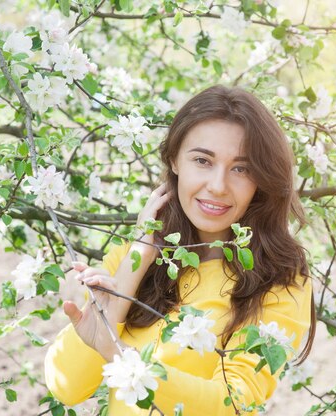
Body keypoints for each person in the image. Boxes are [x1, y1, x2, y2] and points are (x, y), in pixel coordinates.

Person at [44, 85, 316, 415]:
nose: (217, 185)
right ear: (174, 160)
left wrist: (121, 358)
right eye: (202, 160)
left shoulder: (280, 280)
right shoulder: (131, 259)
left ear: (261, 178)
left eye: (241, 168)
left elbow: (233, 403)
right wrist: (136, 264)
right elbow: (67, 387)